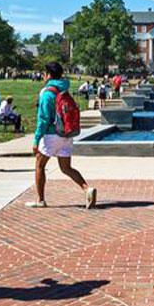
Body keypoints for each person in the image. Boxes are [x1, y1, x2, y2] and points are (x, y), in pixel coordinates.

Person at [31, 61, 96, 208]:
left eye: (44, 73)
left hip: (51, 135)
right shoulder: (64, 90)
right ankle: (87, 189)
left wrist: (36, 139)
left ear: (48, 75)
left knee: (39, 165)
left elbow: (44, 118)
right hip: (67, 134)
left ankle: (40, 200)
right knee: (66, 168)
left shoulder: (47, 93)